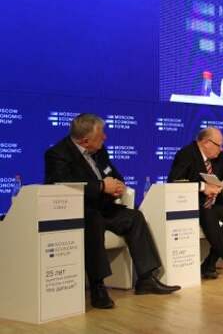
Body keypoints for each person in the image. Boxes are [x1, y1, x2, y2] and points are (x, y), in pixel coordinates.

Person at [44, 114, 180, 310]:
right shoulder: (57, 154)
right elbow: (61, 185)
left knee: (134, 217)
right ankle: (97, 286)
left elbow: (112, 173)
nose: (105, 137)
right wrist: (101, 186)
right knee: (94, 221)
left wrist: (118, 185)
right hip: (80, 212)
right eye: (101, 134)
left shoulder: (99, 150)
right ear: (85, 141)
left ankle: (146, 278)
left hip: (104, 207)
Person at [167, 127, 223, 279]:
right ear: (206, 143)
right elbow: (174, 181)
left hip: (214, 203)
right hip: (193, 205)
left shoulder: (218, 156)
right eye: (219, 145)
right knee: (208, 212)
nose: (221, 149)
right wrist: (204, 187)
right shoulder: (186, 154)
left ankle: (209, 263)